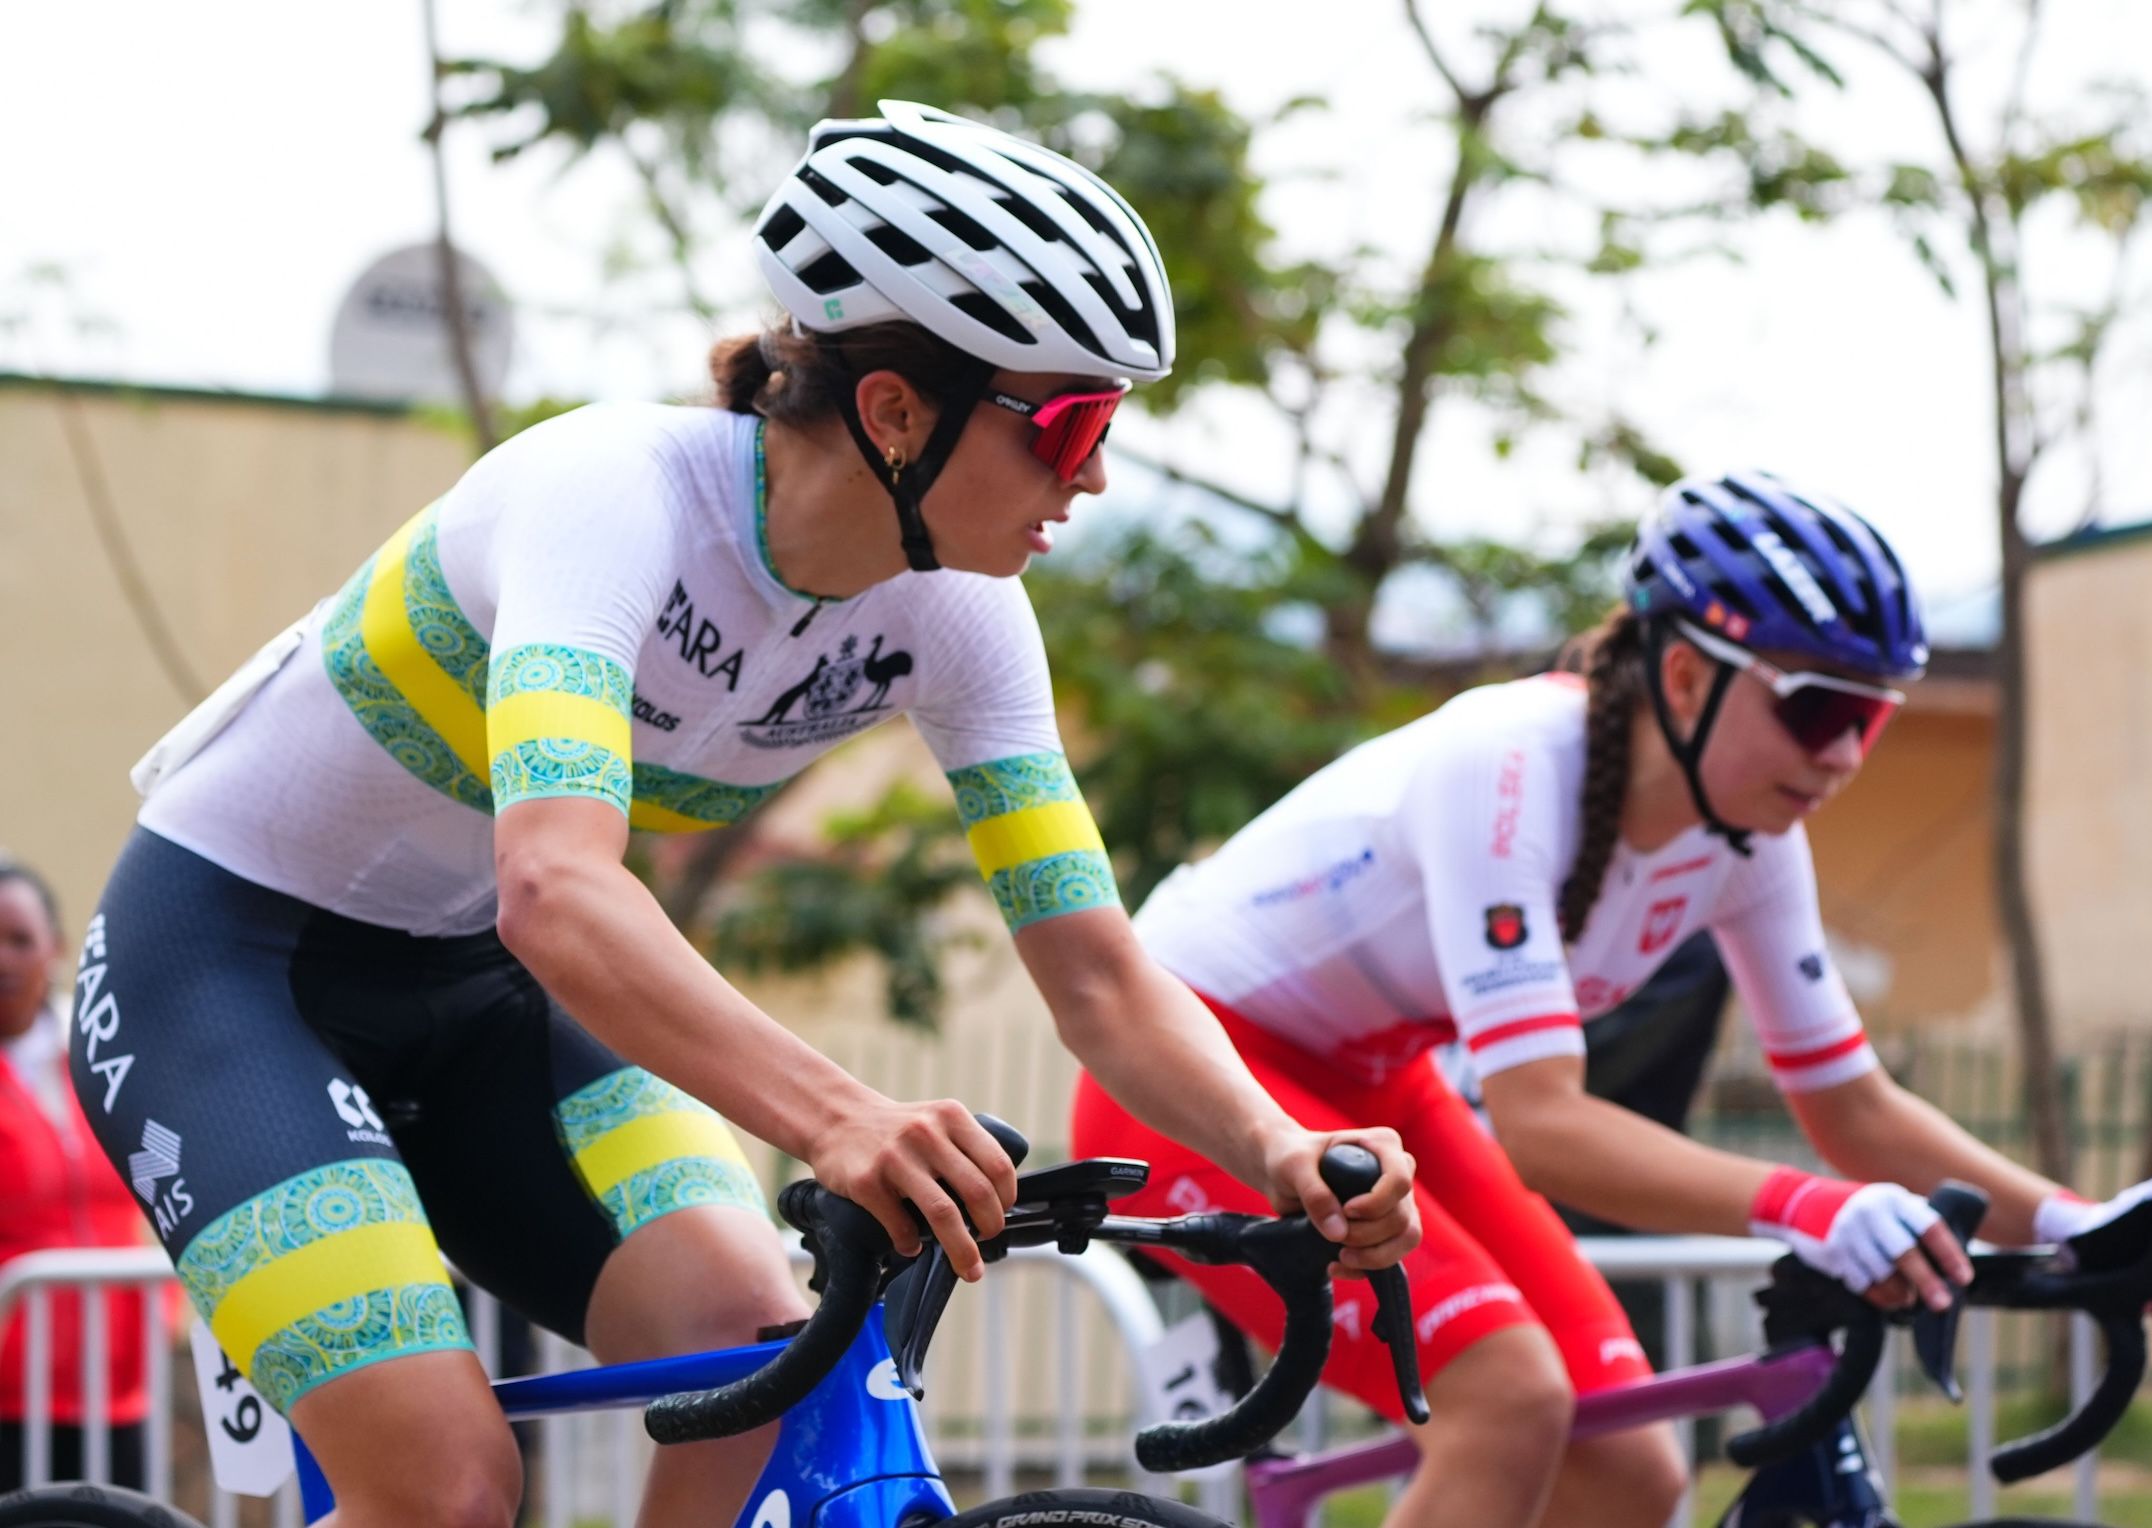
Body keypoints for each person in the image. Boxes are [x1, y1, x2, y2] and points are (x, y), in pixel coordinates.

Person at [75, 101, 1418, 1528]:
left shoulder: (962, 616)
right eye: (1068, 423)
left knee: (763, 1352)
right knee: (445, 1484)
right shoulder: (610, 493)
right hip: (224, 970)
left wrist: (1276, 1149)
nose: (1091, 474)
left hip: (475, 988)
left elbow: (1094, 973)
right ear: (894, 412)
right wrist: (841, 1116)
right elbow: (556, 887)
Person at [1073, 472, 2152, 1528]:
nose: (1844, 754)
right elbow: (1544, 1126)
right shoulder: (1506, 766)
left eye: (1872, 718)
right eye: (1817, 708)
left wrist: (2073, 1221)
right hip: (1185, 1071)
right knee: (1508, 1399)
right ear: (1685, 678)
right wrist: (1810, 1205)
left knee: (1630, 1470)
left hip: (1375, 1087)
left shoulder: (1749, 839)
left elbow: (1852, 1104)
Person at [0, 860, 164, 1493]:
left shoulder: (103, 1057)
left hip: (120, 1389)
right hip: (10, 1399)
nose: (4, 959)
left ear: (57, 948)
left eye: (20, 939)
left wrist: (170, 1304)